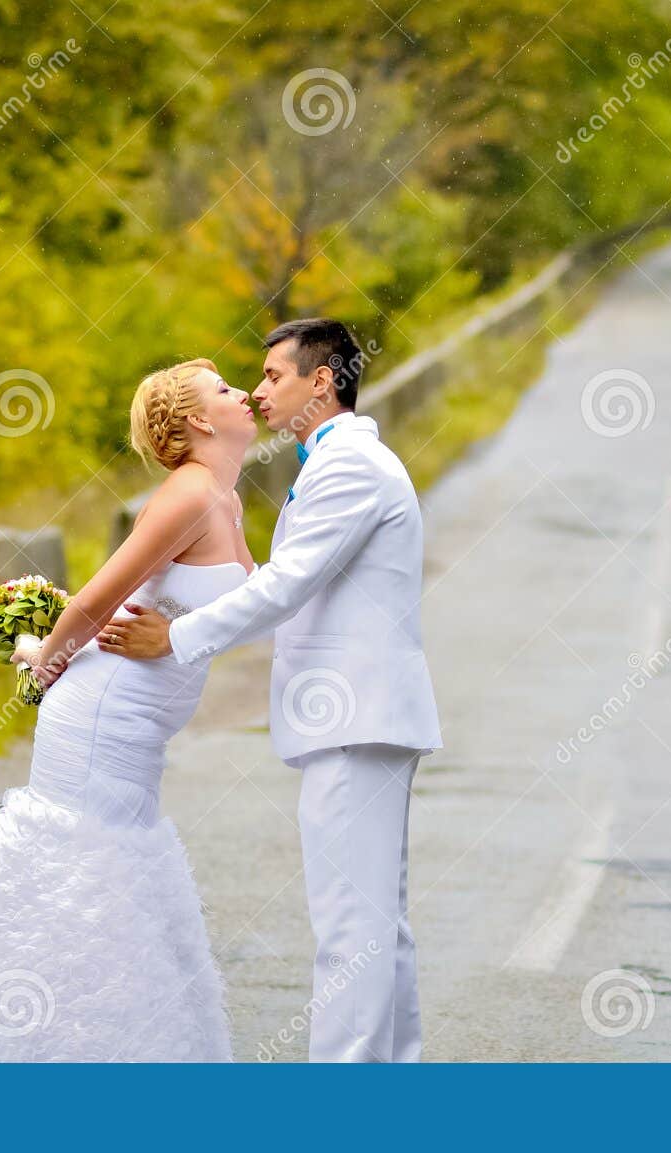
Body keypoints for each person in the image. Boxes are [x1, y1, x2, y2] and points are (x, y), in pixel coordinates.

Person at [0, 359, 256, 1061]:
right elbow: (98, 598)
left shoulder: (227, 498)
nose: (244, 394)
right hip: (103, 715)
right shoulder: (187, 496)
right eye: (225, 390)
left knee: (117, 885)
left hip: (139, 724)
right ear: (196, 421)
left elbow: (245, 605)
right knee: (80, 879)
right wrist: (44, 655)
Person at [93, 319, 442, 1062]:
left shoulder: (349, 466)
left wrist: (176, 637)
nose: (258, 390)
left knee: (352, 928)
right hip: (356, 717)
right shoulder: (333, 463)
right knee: (377, 924)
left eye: (273, 375)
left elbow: (287, 585)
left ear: (323, 382)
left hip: (354, 718)